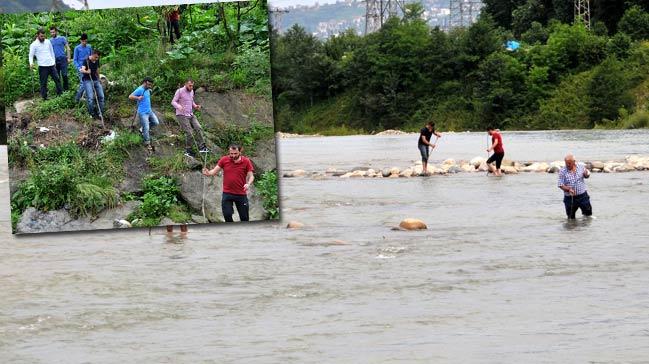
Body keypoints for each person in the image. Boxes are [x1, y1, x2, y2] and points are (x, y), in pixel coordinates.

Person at [202, 144, 255, 222]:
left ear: (240, 151)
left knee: (244, 218)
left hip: (241, 194)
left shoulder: (246, 161)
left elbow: (251, 176)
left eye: (235, 153)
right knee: (227, 215)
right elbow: (213, 171)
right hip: (227, 193)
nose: (233, 155)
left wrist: (248, 184)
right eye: (231, 153)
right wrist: (208, 173)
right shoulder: (224, 160)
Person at [171, 79, 209, 157]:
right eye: (190, 85)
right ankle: (188, 151)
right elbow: (173, 102)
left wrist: (195, 106)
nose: (191, 87)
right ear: (185, 84)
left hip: (190, 114)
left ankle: (202, 147)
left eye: (192, 85)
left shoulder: (191, 91)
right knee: (189, 132)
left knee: (199, 128)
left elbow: (191, 101)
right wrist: (179, 106)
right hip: (181, 115)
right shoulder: (179, 91)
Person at [28, 28, 63, 100]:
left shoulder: (48, 42)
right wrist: (31, 63)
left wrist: (54, 62)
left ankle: (60, 95)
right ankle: (44, 98)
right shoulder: (33, 45)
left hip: (51, 64)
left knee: (57, 79)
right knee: (43, 83)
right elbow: (31, 55)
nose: (43, 38)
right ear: (37, 35)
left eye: (44, 36)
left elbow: (52, 52)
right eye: (41, 36)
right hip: (42, 66)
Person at [129, 77, 160, 151]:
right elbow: (130, 96)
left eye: (151, 85)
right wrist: (138, 98)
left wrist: (149, 89)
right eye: (149, 84)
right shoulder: (140, 89)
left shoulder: (147, 89)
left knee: (156, 122)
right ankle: (147, 142)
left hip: (149, 111)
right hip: (143, 113)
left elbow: (148, 91)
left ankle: (141, 129)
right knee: (146, 128)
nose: (150, 86)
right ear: (145, 82)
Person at [558, 154, 592, 219]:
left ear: (574, 162)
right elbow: (560, 185)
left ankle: (585, 229)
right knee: (570, 218)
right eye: (566, 163)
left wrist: (586, 175)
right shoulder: (562, 171)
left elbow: (586, 176)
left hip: (583, 196)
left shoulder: (581, 167)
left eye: (569, 163)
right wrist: (568, 189)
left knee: (588, 215)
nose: (568, 165)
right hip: (570, 198)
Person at [80, 50, 105, 119]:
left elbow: (97, 69)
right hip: (87, 80)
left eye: (98, 58)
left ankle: (100, 113)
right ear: (93, 54)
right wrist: (87, 71)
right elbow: (82, 70)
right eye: (95, 57)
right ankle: (91, 113)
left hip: (95, 79)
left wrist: (99, 78)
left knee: (101, 96)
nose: (96, 59)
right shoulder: (86, 61)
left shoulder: (97, 60)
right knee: (90, 98)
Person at [49, 26, 71, 91]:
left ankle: (66, 90)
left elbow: (68, 48)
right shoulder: (50, 41)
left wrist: (69, 58)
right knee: (57, 76)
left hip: (63, 59)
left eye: (53, 32)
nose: (52, 33)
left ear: (56, 32)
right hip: (54, 60)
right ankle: (59, 92)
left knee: (64, 75)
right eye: (51, 32)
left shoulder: (62, 38)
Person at [73, 33, 92, 102]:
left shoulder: (89, 47)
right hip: (81, 68)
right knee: (83, 83)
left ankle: (85, 97)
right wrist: (79, 68)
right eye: (83, 41)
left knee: (89, 83)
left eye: (86, 41)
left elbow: (91, 57)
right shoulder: (77, 48)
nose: (84, 43)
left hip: (88, 68)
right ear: (80, 41)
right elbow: (75, 60)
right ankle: (77, 99)